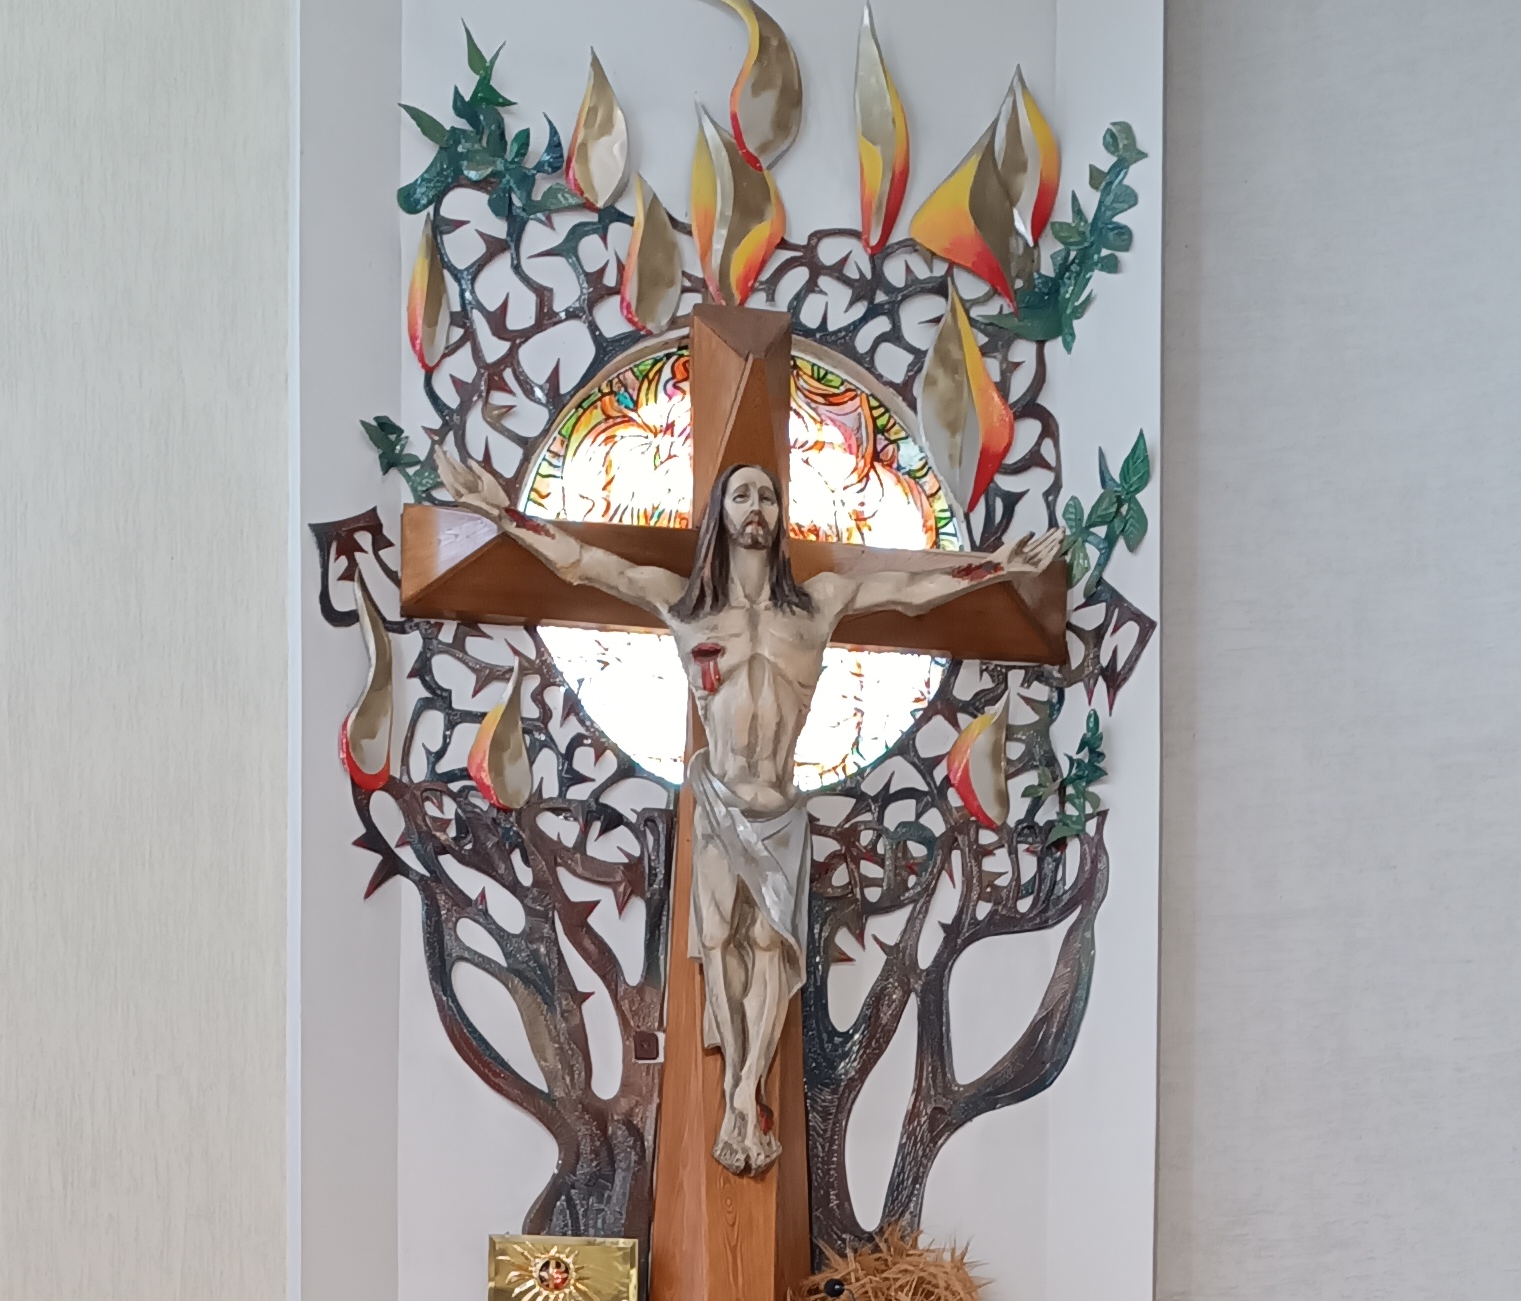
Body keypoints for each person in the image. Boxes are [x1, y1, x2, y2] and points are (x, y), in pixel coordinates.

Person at [436, 448, 1061, 1175]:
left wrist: (997, 566)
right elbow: (585, 565)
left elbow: (910, 591)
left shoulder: (819, 602)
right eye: (741, 496)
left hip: (781, 807)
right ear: (720, 515)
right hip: (718, 800)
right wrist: (501, 513)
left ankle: (747, 1090)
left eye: (766, 495)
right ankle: (738, 1083)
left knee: (772, 948)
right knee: (720, 944)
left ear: (780, 515)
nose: (755, 507)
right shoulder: (685, 606)